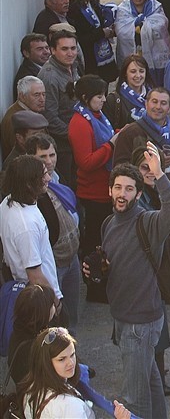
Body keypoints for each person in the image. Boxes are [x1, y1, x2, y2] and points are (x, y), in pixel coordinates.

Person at [93, 150, 170, 419]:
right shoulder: (108, 223)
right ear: (110, 191)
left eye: (129, 189)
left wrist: (160, 175)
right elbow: (114, 266)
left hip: (140, 325)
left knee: (133, 401)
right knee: (151, 384)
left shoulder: (148, 221)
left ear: (139, 195)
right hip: (124, 319)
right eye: (117, 187)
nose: (122, 193)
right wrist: (98, 271)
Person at [25, 134, 81, 333]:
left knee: (71, 315)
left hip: (72, 260)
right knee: (55, 318)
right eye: (42, 157)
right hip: (54, 265)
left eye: (52, 154)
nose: (49, 162)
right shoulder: (32, 191)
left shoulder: (57, 178)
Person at [68, 75, 115, 302]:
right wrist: (111, 145)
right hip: (92, 193)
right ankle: (95, 288)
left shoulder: (96, 115)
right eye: (99, 96)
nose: (104, 100)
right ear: (86, 98)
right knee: (95, 242)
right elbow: (85, 162)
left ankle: (104, 282)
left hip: (104, 189)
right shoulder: (79, 123)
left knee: (104, 240)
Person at [19, 327, 131, 419]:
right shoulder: (70, 406)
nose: (71, 363)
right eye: (61, 359)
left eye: (72, 355)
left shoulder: (31, 388)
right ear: (46, 363)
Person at [0, 155, 63, 314]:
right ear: (28, 184)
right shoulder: (26, 225)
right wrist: (56, 303)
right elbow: (35, 276)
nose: (49, 177)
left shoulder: (8, 202)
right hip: (41, 301)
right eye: (43, 175)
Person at [113, 87, 170, 189]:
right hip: (142, 197)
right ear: (146, 104)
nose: (158, 107)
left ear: (169, 108)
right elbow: (119, 168)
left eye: (163, 103)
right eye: (154, 102)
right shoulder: (130, 132)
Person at [38, 29, 81, 186]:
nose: (70, 53)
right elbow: (49, 117)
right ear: (53, 50)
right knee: (68, 184)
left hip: (74, 139)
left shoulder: (73, 66)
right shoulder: (50, 77)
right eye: (64, 49)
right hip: (63, 146)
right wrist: (74, 135)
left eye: (73, 48)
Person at [115, 0, 170, 85]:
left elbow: (161, 24)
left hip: (155, 56)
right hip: (131, 52)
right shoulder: (123, 9)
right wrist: (140, 24)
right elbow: (121, 30)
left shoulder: (156, 6)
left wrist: (141, 25)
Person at [66, 0, 118, 82]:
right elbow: (79, 38)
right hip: (89, 59)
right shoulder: (73, 10)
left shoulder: (93, 3)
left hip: (103, 55)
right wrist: (101, 33)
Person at [7, 283, 57, 385]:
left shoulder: (18, 332)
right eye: (51, 305)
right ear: (43, 313)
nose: (54, 307)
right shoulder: (39, 345)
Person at [103, 54, 154, 131]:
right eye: (133, 71)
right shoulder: (113, 100)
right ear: (125, 74)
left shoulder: (154, 97)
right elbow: (107, 131)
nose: (138, 75)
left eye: (141, 71)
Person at [2, 75, 46, 158]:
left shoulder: (32, 111)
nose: (42, 99)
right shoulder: (15, 120)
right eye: (36, 95)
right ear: (22, 96)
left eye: (43, 94)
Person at [12, 33, 50, 99]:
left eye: (47, 48)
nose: (46, 52)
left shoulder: (44, 66)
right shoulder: (27, 78)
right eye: (40, 49)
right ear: (26, 53)